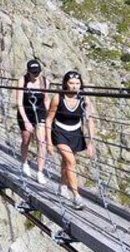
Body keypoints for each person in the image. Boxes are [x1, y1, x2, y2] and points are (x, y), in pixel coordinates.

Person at [46, 70, 96, 210]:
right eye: (71, 83)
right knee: (71, 162)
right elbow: (49, 120)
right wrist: (49, 142)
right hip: (59, 132)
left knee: (66, 163)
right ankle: (76, 196)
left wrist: (91, 143)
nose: (75, 86)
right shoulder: (58, 98)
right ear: (65, 84)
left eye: (77, 83)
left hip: (75, 132)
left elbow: (89, 120)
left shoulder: (84, 99)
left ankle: (62, 185)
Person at [16, 59, 49, 185]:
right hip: (25, 112)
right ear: (28, 72)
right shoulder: (22, 81)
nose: (36, 75)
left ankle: (40, 172)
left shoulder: (45, 82)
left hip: (39, 112)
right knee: (26, 139)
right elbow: (19, 101)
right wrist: (25, 121)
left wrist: (48, 117)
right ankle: (24, 162)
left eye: (37, 72)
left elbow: (46, 99)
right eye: (33, 73)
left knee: (42, 142)